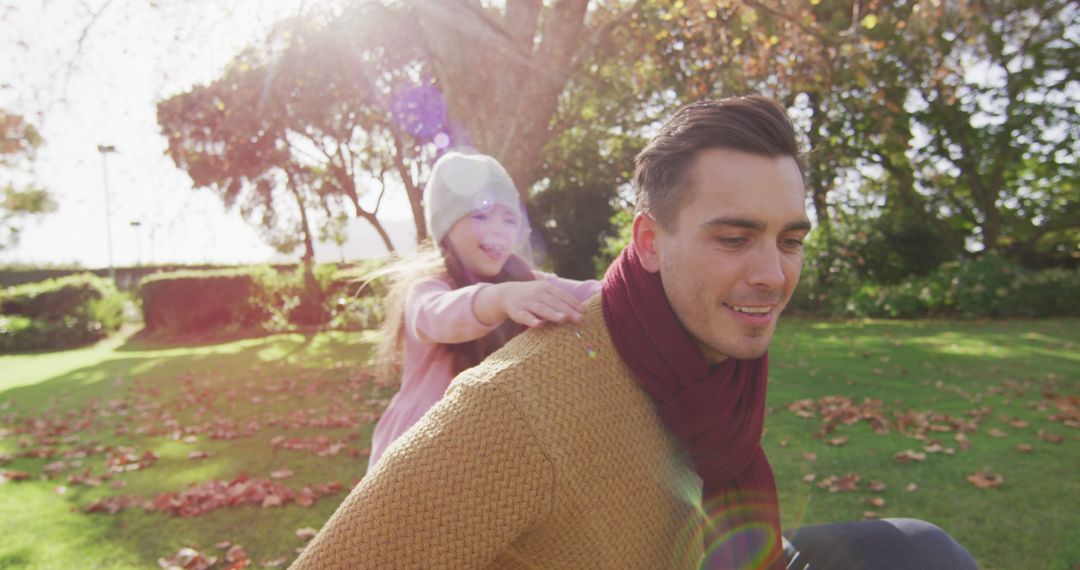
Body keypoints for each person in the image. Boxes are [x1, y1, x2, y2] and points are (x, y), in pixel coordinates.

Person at [291, 97, 977, 569]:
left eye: (790, 240)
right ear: (647, 241)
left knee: (921, 551)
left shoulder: (705, 353)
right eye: (735, 238)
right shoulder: (515, 410)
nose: (773, 275)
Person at [365, 151, 601, 468]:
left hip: (475, 454)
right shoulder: (428, 288)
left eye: (509, 219)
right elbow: (439, 315)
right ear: (447, 228)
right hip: (409, 461)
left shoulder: (522, 281)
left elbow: (596, 292)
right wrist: (499, 299)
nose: (498, 228)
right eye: (481, 215)